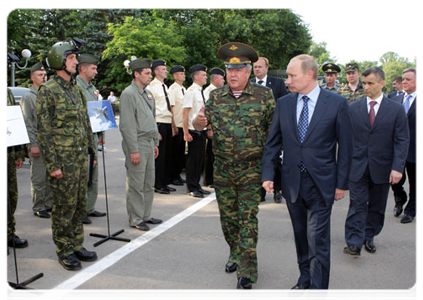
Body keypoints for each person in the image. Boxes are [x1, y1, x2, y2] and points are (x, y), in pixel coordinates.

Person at [262, 54, 353, 299]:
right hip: (292, 182)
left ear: (310, 74)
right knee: (301, 236)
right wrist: (268, 174)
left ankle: (317, 293)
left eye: (292, 75)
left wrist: (342, 183)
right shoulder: (284, 103)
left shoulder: (336, 103)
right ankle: (305, 277)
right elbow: (273, 143)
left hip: (322, 183)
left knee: (318, 240)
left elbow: (345, 148)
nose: (288, 80)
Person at [193, 42, 275, 291]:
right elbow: (205, 129)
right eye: (230, 70)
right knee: (229, 220)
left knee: (248, 219)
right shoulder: (215, 97)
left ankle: (247, 271)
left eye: (239, 70)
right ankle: (235, 253)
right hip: (223, 169)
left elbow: (273, 133)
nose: (233, 74)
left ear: (249, 71)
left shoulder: (264, 96)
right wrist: (198, 123)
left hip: (251, 170)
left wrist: (271, 169)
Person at [37, 39, 98, 270]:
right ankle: (64, 250)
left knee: (79, 204)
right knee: (64, 207)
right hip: (62, 161)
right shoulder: (48, 91)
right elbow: (44, 132)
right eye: (72, 58)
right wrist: (53, 165)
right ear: (60, 60)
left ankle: (76, 244)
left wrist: (91, 152)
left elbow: (84, 122)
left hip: (80, 158)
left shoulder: (75, 88)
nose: (76, 62)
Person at [344, 67, 409, 256]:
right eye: (364, 83)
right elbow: (346, 139)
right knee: (357, 203)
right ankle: (354, 242)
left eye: (370, 83)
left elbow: (402, 140)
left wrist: (397, 168)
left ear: (382, 83)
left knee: (377, 205)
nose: (366, 87)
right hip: (357, 166)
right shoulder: (353, 108)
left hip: (382, 166)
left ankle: (369, 235)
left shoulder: (396, 109)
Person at [119, 58, 162, 232]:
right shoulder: (129, 94)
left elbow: (152, 119)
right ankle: (136, 218)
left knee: (148, 182)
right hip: (137, 142)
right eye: (146, 73)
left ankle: (146, 215)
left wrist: (155, 142)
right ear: (136, 74)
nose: (150, 76)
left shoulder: (147, 93)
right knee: (136, 183)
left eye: (150, 72)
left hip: (149, 143)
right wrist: (133, 150)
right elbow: (127, 125)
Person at [252, 56, 289, 203]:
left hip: (274, 128)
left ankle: (278, 190)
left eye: (260, 67)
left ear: (266, 68)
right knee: (258, 161)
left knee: (275, 160)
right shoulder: (250, 84)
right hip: (256, 131)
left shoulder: (278, 83)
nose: (257, 69)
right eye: (255, 67)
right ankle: (260, 192)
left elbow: (284, 104)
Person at [20, 62, 53, 219]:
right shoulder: (28, 97)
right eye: (40, 75)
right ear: (32, 77)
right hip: (38, 141)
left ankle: (48, 203)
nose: (44, 77)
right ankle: (39, 206)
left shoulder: (47, 94)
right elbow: (28, 123)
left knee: (50, 175)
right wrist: (32, 145)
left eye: (45, 75)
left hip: (50, 142)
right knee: (39, 177)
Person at [76, 53, 106, 224]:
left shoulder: (92, 88)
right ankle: (80, 211)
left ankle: (90, 207)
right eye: (93, 68)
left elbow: (98, 112)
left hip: (93, 135)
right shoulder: (77, 87)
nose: (96, 71)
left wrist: (101, 134)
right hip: (82, 138)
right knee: (83, 175)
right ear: (83, 68)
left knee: (93, 173)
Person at [391, 68, 420, 223]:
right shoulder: (396, 99)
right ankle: (400, 197)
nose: (404, 82)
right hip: (397, 149)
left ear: (418, 81)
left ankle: (411, 209)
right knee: (394, 180)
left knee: (416, 182)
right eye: (403, 79)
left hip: (417, 149)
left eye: (408, 79)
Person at [5, 84, 28, 256]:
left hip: (9, 154)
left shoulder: (6, 93)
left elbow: (14, 120)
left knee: (10, 196)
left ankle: (8, 233)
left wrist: (20, 152)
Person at [182, 64, 210, 198]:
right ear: (196, 76)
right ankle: (191, 187)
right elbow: (185, 113)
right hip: (193, 131)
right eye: (204, 75)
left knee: (200, 160)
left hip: (201, 130)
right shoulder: (191, 91)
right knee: (193, 160)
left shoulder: (200, 91)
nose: (206, 77)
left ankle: (197, 185)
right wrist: (186, 133)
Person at [148, 59, 175, 195]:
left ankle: (164, 182)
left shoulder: (164, 86)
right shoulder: (151, 87)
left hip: (167, 121)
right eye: (163, 69)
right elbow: (150, 109)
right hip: (159, 122)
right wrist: (154, 129)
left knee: (167, 155)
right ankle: (158, 184)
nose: (166, 71)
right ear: (156, 71)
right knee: (160, 155)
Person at [203, 67, 226, 188]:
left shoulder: (218, 91)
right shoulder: (210, 92)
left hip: (219, 128)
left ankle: (212, 178)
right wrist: (210, 128)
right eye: (222, 78)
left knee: (214, 154)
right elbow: (208, 112)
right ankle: (209, 179)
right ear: (215, 78)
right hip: (213, 127)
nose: (224, 81)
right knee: (210, 155)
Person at [168, 65, 187, 186]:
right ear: (175, 76)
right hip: (176, 125)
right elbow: (171, 108)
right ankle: (173, 176)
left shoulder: (184, 89)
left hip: (182, 125)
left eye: (183, 73)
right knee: (174, 153)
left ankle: (178, 174)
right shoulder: (173, 89)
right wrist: (173, 126)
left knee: (180, 153)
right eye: (181, 74)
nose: (183, 75)